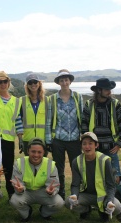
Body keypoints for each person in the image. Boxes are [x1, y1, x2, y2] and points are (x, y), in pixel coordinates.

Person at [81, 78, 121, 222]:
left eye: (110, 89)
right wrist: (87, 145)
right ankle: (88, 207)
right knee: (90, 178)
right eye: (106, 89)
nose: (109, 91)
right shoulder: (89, 104)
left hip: (110, 149)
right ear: (99, 90)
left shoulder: (115, 104)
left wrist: (120, 143)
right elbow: (83, 125)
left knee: (116, 178)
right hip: (93, 150)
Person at [65, 132, 121, 222]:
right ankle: (87, 210)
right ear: (81, 146)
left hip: (103, 195)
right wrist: (74, 195)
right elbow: (75, 184)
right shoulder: (76, 161)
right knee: (68, 202)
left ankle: (103, 211)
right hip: (86, 195)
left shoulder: (105, 160)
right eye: (84, 144)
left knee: (118, 208)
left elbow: (111, 185)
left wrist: (109, 201)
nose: (87, 147)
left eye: (90, 143)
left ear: (96, 145)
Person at [45, 69, 83, 199]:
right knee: (59, 169)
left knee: (76, 168)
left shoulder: (78, 97)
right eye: (62, 80)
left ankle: (75, 193)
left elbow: (82, 118)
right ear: (58, 82)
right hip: (59, 139)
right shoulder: (52, 99)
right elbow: (49, 120)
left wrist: (83, 137)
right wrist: (49, 140)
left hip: (74, 139)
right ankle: (60, 193)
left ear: (70, 81)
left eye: (66, 79)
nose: (64, 82)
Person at [10, 138, 64, 222]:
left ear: (44, 152)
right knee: (14, 200)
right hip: (26, 192)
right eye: (33, 151)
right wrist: (20, 189)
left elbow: (54, 185)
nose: (36, 155)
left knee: (59, 203)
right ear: (28, 151)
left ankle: (44, 212)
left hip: (43, 192)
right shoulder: (19, 163)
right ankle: (27, 213)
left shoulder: (51, 164)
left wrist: (51, 191)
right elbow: (18, 184)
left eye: (39, 152)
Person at [0, 71, 23, 201]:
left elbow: (18, 121)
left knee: (8, 167)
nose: (3, 84)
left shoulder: (16, 101)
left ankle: (10, 192)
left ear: (8, 83)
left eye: (5, 81)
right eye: (0, 82)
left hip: (9, 140)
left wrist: (20, 138)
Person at [19, 73, 49, 156]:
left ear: (39, 83)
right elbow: (18, 121)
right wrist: (20, 139)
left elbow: (50, 120)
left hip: (43, 140)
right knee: (29, 166)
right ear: (27, 85)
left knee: (42, 166)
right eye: (30, 82)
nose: (33, 84)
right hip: (27, 140)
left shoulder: (47, 100)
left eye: (35, 82)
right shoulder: (22, 101)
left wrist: (50, 139)